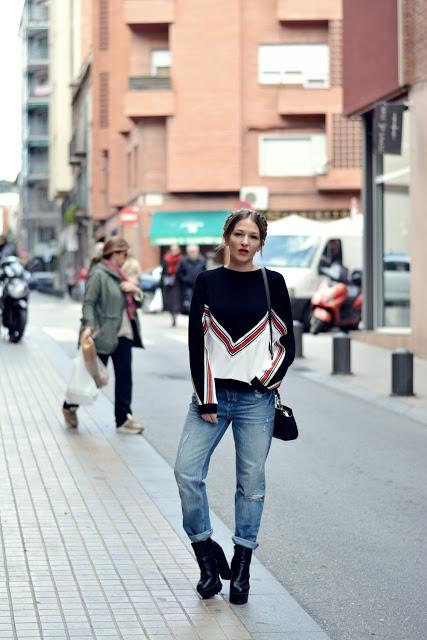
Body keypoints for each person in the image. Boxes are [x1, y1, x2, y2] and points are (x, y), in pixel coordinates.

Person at [174, 208, 295, 604]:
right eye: (239, 234)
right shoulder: (206, 281)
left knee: (251, 486)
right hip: (210, 398)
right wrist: (206, 395)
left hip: (255, 400)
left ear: (261, 243)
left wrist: (263, 382)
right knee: (187, 473)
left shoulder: (271, 282)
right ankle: (208, 558)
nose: (245, 242)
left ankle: (241, 569)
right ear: (227, 236)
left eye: (253, 237)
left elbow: (286, 345)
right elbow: (197, 341)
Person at [62, 237, 144, 434]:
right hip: (104, 334)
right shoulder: (98, 274)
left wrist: (135, 290)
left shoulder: (121, 274)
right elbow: (88, 303)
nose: (125, 258)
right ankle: (69, 406)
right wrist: (88, 325)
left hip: (124, 332)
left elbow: (134, 303)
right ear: (113, 253)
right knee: (93, 378)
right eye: (124, 254)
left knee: (125, 376)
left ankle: (123, 419)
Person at [176, 244, 206, 314]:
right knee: (189, 302)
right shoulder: (183, 261)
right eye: (191, 252)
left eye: (195, 251)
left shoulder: (202, 260)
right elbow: (179, 273)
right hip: (187, 285)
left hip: (199, 285)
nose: (193, 253)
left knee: (199, 301)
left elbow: (205, 271)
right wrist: (185, 279)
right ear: (188, 252)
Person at [161, 244, 182, 326]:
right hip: (168, 283)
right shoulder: (166, 258)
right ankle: (172, 315)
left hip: (177, 283)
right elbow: (163, 271)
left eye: (175, 249)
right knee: (169, 301)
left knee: (176, 301)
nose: (174, 251)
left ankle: (175, 316)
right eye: (172, 249)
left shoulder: (181, 259)